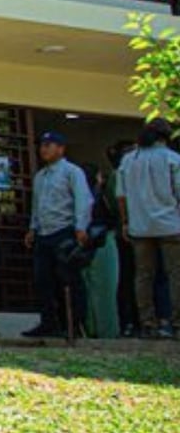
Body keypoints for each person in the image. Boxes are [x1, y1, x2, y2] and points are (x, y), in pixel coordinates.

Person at [22, 132, 93, 338]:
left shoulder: (72, 172)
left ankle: (74, 324)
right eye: (42, 145)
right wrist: (32, 228)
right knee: (43, 281)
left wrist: (81, 227)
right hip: (44, 233)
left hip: (64, 231)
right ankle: (48, 323)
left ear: (61, 149)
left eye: (49, 145)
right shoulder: (40, 176)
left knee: (68, 280)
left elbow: (83, 200)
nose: (44, 149)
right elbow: (37, 205)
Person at [116, 118, 180, 339]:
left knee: (143, 275)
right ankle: (176, 323)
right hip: (171, 224)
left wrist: (125, 222)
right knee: (175, 275)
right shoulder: (172, 159)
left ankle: (147, 323)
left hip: (140, 226)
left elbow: (121, 196)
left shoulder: (128, 160)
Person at [81, 161, 120, 339]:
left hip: (80, 241)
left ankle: (90, 329)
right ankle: (108, 331)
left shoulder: (76, 196)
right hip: (103, 240)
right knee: (106, 290)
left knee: (86, 289)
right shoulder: (102, 196)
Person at [107, 141, 139, 336]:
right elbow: (115, 202)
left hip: (137, 230)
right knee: (128, 278)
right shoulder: (116, 176)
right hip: (126, 234)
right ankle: (128, 322)